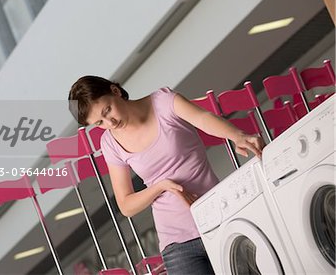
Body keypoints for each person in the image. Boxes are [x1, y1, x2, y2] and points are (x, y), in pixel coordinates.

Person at [68, 75, 265, 274]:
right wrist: (161, 186)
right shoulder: (110, 144)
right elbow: (126, 205)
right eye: (99, 122)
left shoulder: (163, 102)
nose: (110, 123)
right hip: (177, 245)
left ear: (116, 91)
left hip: (219, 218)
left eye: (107, 110)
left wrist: (237, 136)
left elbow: (202, 118)